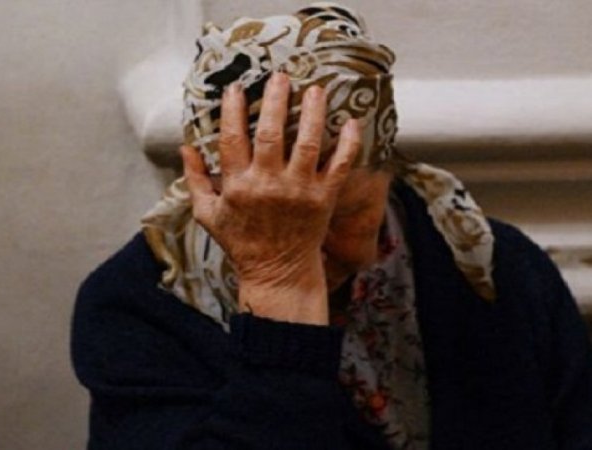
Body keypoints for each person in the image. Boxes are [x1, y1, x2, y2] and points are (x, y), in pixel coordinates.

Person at [71, 3, 592, 449]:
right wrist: (279, 299)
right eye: (263, 218)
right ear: (210, 188)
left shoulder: (494, 270)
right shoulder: (137, 304)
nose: (302, 246)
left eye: (338, 216)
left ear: (389, 172)